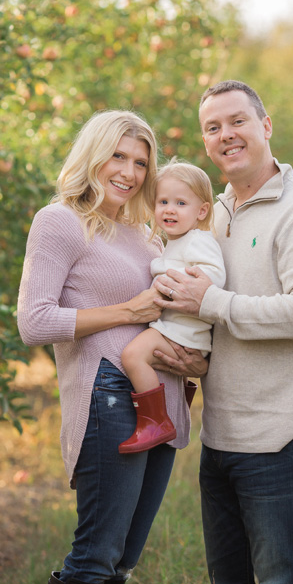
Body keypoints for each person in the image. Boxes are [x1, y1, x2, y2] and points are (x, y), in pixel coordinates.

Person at [155, 80, 293, 584]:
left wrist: (211, 304)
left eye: (237, 121)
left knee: (281, 581)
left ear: (265, 126)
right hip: (221, 437)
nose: (226, 135)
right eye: (212, 127)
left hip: (281, 439)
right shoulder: (211, 214)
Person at [17, 110, 206, 584]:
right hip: (110, 394)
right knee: (96, 556)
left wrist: (192, 361)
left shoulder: (146, 235)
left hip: (161, 400)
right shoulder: (60, 221)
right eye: (117, 157)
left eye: (141, 163)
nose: (128, 172)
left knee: (123, 560)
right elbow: (34, 322)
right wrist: (128, 312)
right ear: (93, 156)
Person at [118, 161, 225, 454]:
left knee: (132, 356)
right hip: (177, 328)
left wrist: (173, 283)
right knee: (143, 358)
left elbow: (215, 275)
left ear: (201, 211)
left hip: (182, 331)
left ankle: (156, 421)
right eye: (163, 202)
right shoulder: (176, 242)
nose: (169, 209)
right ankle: (174, 411)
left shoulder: (197, 240)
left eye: (180, 203)